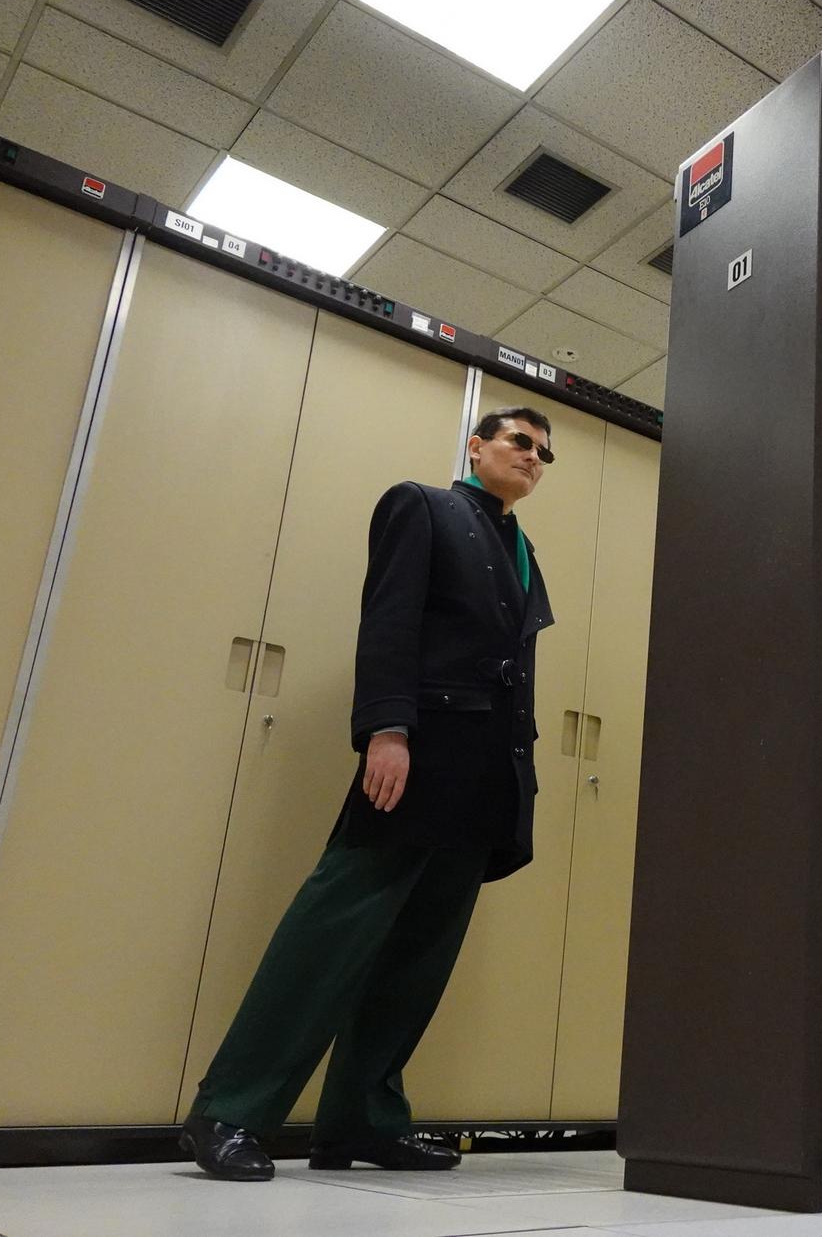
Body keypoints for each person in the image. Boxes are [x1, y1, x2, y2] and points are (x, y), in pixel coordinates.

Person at [179, 409, 557, 1181]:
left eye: (543, 453)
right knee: (330, 934)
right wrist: (387, 729)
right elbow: (388, 620)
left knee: (419, 958)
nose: (533, 457)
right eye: (519, 441)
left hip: (488, 777)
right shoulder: (422, 506)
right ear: (476, 445)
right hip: (420, 758)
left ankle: (362, 1122)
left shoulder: (523, 551)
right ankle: (229, 1111)